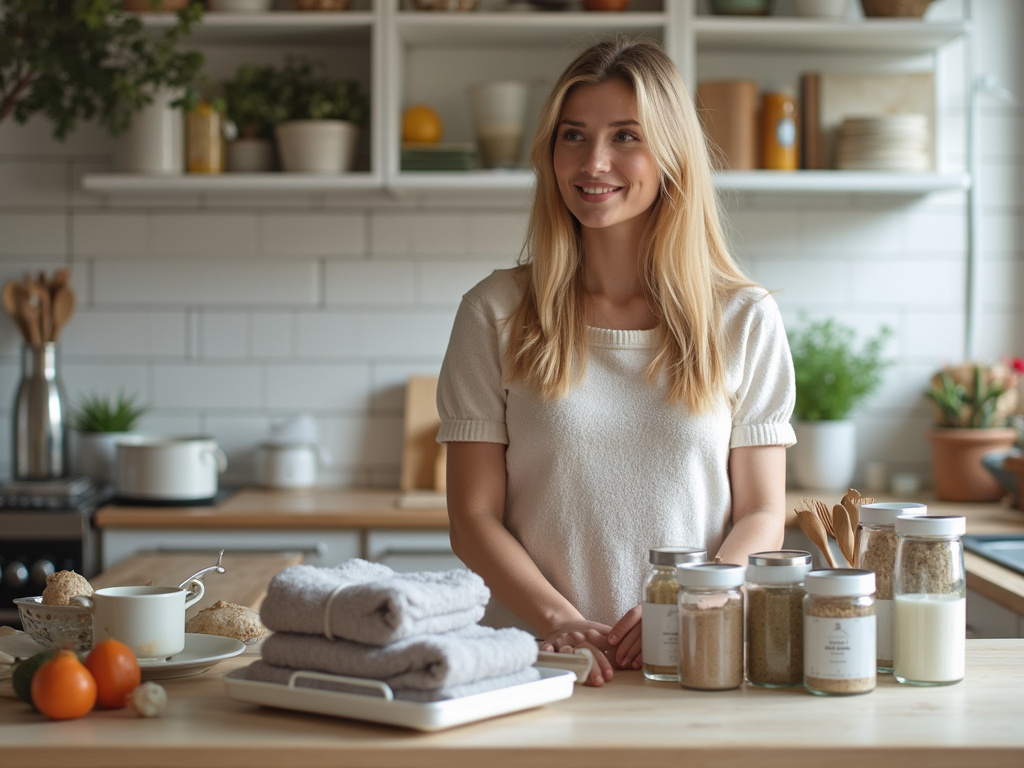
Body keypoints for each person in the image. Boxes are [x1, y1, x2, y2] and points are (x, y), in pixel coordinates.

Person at [435, 38, 796, 687]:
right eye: (573, 135)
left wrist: (693, 600)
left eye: (625, 135)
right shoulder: (493, 312)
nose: (593, 161)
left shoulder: (744, 318)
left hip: (696, 660)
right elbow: (472, 518)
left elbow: (763, 512)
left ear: (672, 156)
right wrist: (558, 620)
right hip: (534, 665)